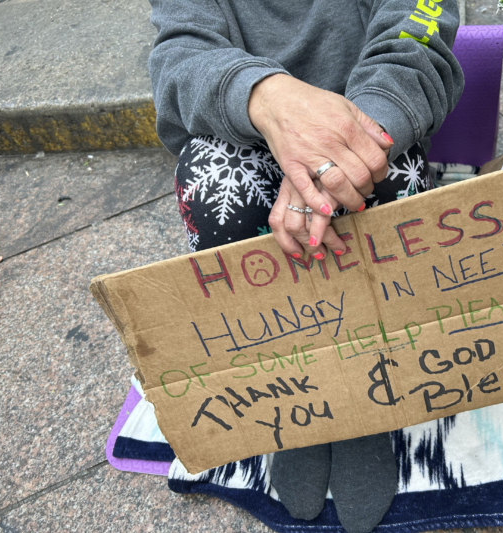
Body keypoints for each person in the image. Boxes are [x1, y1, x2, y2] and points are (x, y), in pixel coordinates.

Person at [147, 1, 464, 531]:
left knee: (390, 176)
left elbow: (416, 34)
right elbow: (180, 53)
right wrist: (271, 100)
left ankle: (368, 392)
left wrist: (333, 155)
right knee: (212, 180)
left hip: (368, 122)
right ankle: (295, 385)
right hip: (242, 129)